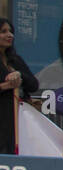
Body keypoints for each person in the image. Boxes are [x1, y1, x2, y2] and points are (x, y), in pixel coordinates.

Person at [0, 17, 39, 155]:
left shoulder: (16, 60)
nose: (9, 35)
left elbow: (34, 84)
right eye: (3, 31)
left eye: (11, 31)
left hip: (19, 118)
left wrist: (19, 75)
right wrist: (6, 86)